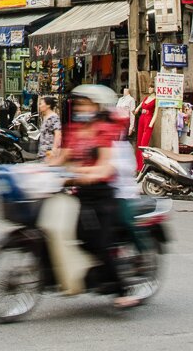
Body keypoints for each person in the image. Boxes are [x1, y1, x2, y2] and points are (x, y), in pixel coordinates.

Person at [46, 85, 137, 309]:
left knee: (99, 240)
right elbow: (62, 158)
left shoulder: (104, 131)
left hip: (101, 194)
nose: (80, 107)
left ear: (97, 106)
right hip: (78, 193)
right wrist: (39, 168)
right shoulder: (75, 129)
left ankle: (122, 288)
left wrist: (83, 174)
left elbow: (106, 167)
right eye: (78, 104)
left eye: (85, 103)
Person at [133, 89, 158, 169]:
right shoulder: (146, 98)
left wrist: (151, 123)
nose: (149, 89)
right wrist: (136, 110)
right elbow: (138, 107)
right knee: (139, 142)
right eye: (149, 87)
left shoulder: (156, 99)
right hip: (142, 119)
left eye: (151, 87)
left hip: (148, 120)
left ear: (154, 89)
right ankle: (138, 166)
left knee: (144, 143)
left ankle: (142, 166)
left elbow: (156, 113)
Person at [37, 95, 61, 161]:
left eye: (41, 104)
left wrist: (54, 150)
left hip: (49, 154)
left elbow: (58, 134)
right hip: (43, 153)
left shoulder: (53, 117)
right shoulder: (45, 117)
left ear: (48, 105)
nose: (39, 106)